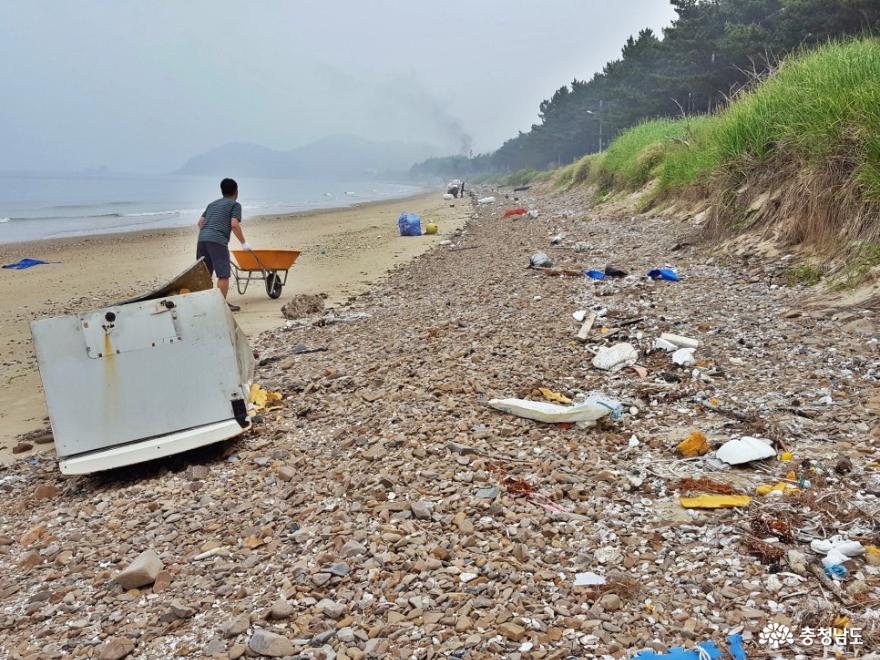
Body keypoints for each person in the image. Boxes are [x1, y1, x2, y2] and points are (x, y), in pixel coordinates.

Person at [196, 178, 251, 311]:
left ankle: (203, 305)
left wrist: (207, 234)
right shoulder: (234, 205)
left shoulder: (212, 204)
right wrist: (244, 243)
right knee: (223, 274)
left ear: (222, 191)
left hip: (202, 239)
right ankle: (221, 306)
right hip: (217, 241)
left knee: (204, 275)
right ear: (236, 192)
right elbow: (234, 224)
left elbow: (200, 223)